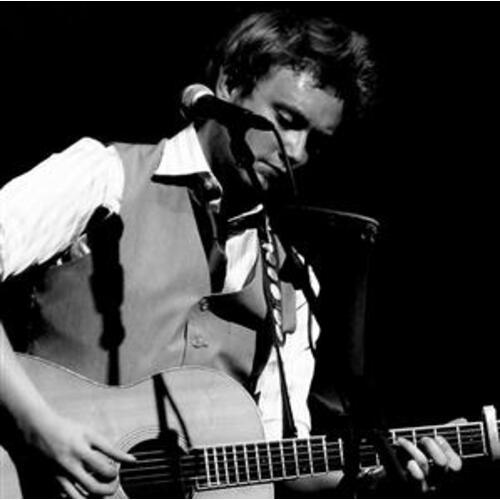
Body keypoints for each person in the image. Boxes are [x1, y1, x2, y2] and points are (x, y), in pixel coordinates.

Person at [0, 9, 462, 498]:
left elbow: (281, 460)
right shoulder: (106, 177)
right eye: (286, 121)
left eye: (317, 141)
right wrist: (38, 426)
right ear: (229, 84)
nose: (297, 152)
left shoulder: (290, 281)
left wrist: (379, 473)